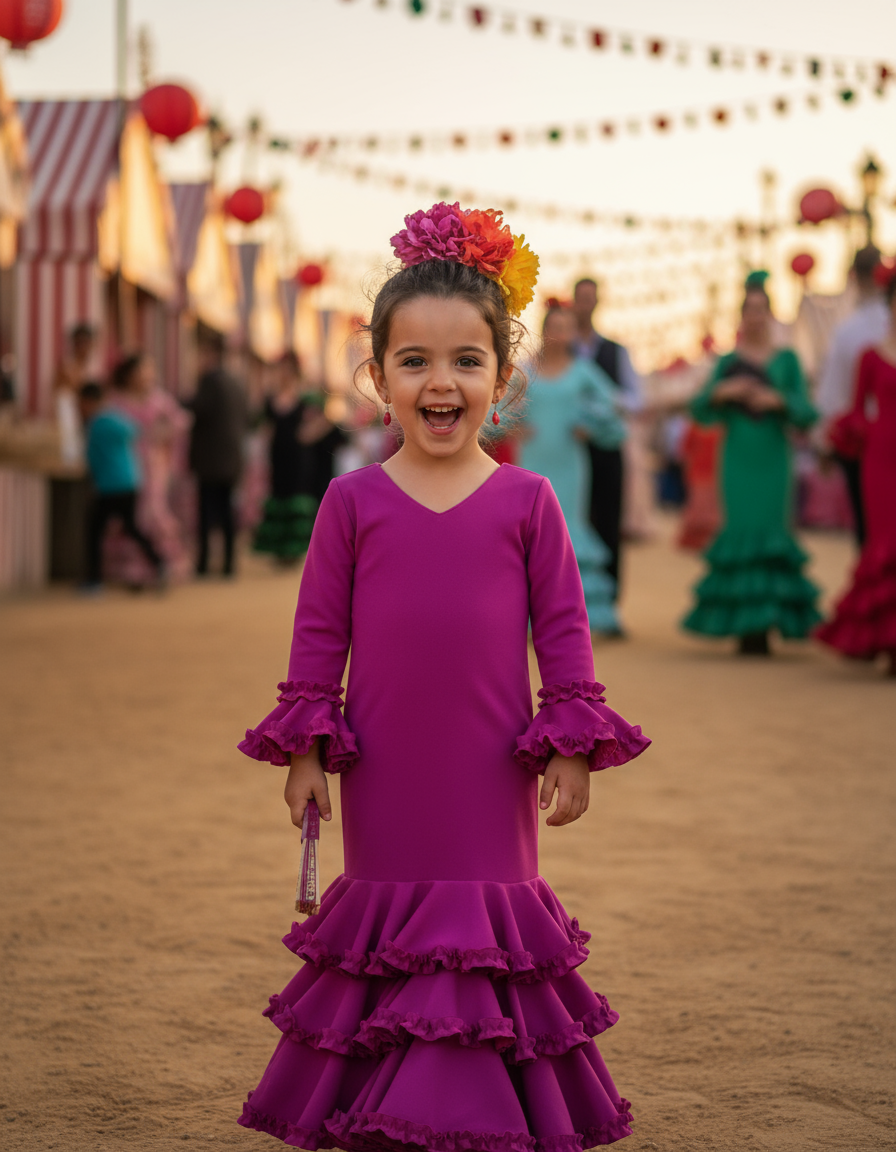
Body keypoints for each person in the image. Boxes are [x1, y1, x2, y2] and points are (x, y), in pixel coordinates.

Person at [236, 203, 649, 1151]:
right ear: (377, 378)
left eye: (467, 360)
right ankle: (384, 1103)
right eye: (413, 360)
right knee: (393, 917)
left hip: (490, 767)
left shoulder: (529, 500)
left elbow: (565, 634)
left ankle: (475, 1105)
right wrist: (304, 751)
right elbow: (318, 636)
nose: (440, 381)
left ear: (502, 381)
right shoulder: (350, 502)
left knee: (479, 918)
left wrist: (574, 750)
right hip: (382, 768)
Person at [682, 272, 821, 655]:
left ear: (771, 315)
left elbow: (808, 411)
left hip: (774, 457)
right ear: (742, 316)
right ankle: (746, 628)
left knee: (771, 531)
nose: (756, 317)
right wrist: (726, 390)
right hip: (738, 457)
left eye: (762, 310)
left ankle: (768, 623)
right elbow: (700, 407)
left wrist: (779, 401)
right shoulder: (728, 361)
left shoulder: (787, 360)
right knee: (740, 530)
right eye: (750, 310)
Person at [519, 306, 626, 635]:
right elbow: (496, 406)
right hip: (533, 461)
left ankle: (578, 617)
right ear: (544, 330)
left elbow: (614, 405)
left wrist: (590, 425)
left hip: (570, 462)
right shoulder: (526, 371)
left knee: (569, 529)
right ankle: (526, 619)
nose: (560, 333)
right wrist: (512, 426)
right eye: (554, 326)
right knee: (532, 531)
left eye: (567, 327)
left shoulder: (583, 371)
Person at [817, 263, 896, 673]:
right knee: (883, 542)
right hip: (881, 457)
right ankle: (886, 645)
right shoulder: (869, 354)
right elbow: (854, 407)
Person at [571, 278, 643, 601]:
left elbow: (636, 399)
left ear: (598, 302)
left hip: (607, 448)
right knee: (570, 520)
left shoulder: (617, 351)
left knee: (609, 520)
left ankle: (608, 602)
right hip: (568, 448)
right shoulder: (560, 349)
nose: (585, 304)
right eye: (580, 298)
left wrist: (604, 403)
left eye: (590, 298)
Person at [816, 246, 889, 546]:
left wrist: (823, 442)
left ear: (855, 278)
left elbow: (834, 395)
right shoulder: (873, 326)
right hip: (875, 440)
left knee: (868, 531)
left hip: (864, 446)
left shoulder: (849, 331)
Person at [107, 352, 192, 582]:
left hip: (153, 466)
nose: (147, 375)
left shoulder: (157, 399)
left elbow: (181, 421)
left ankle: (159, 564)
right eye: (142, 370)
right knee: (130, 512)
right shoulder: (116, 400)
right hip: (125, 464)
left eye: (149, 370)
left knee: (151, 511)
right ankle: (132, 568)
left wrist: (161, 435)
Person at [78, 382, 165, 592]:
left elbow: (90, 457)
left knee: (95, 531)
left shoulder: (97, 422)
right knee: (131, 527)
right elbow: (135, 431)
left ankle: (94, 580)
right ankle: (159, 562)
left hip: (110, 485)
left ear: (89, 402)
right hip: (129, 481)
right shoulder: (115, 418)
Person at [185, 330, 250, 577]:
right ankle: (228, 564)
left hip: (211, 460)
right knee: (226, 512)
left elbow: (198, 408)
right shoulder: (236, 382)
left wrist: (181, 402)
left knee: (206, 512)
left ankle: (203, 565)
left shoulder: (209, 380)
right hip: (232, 458)